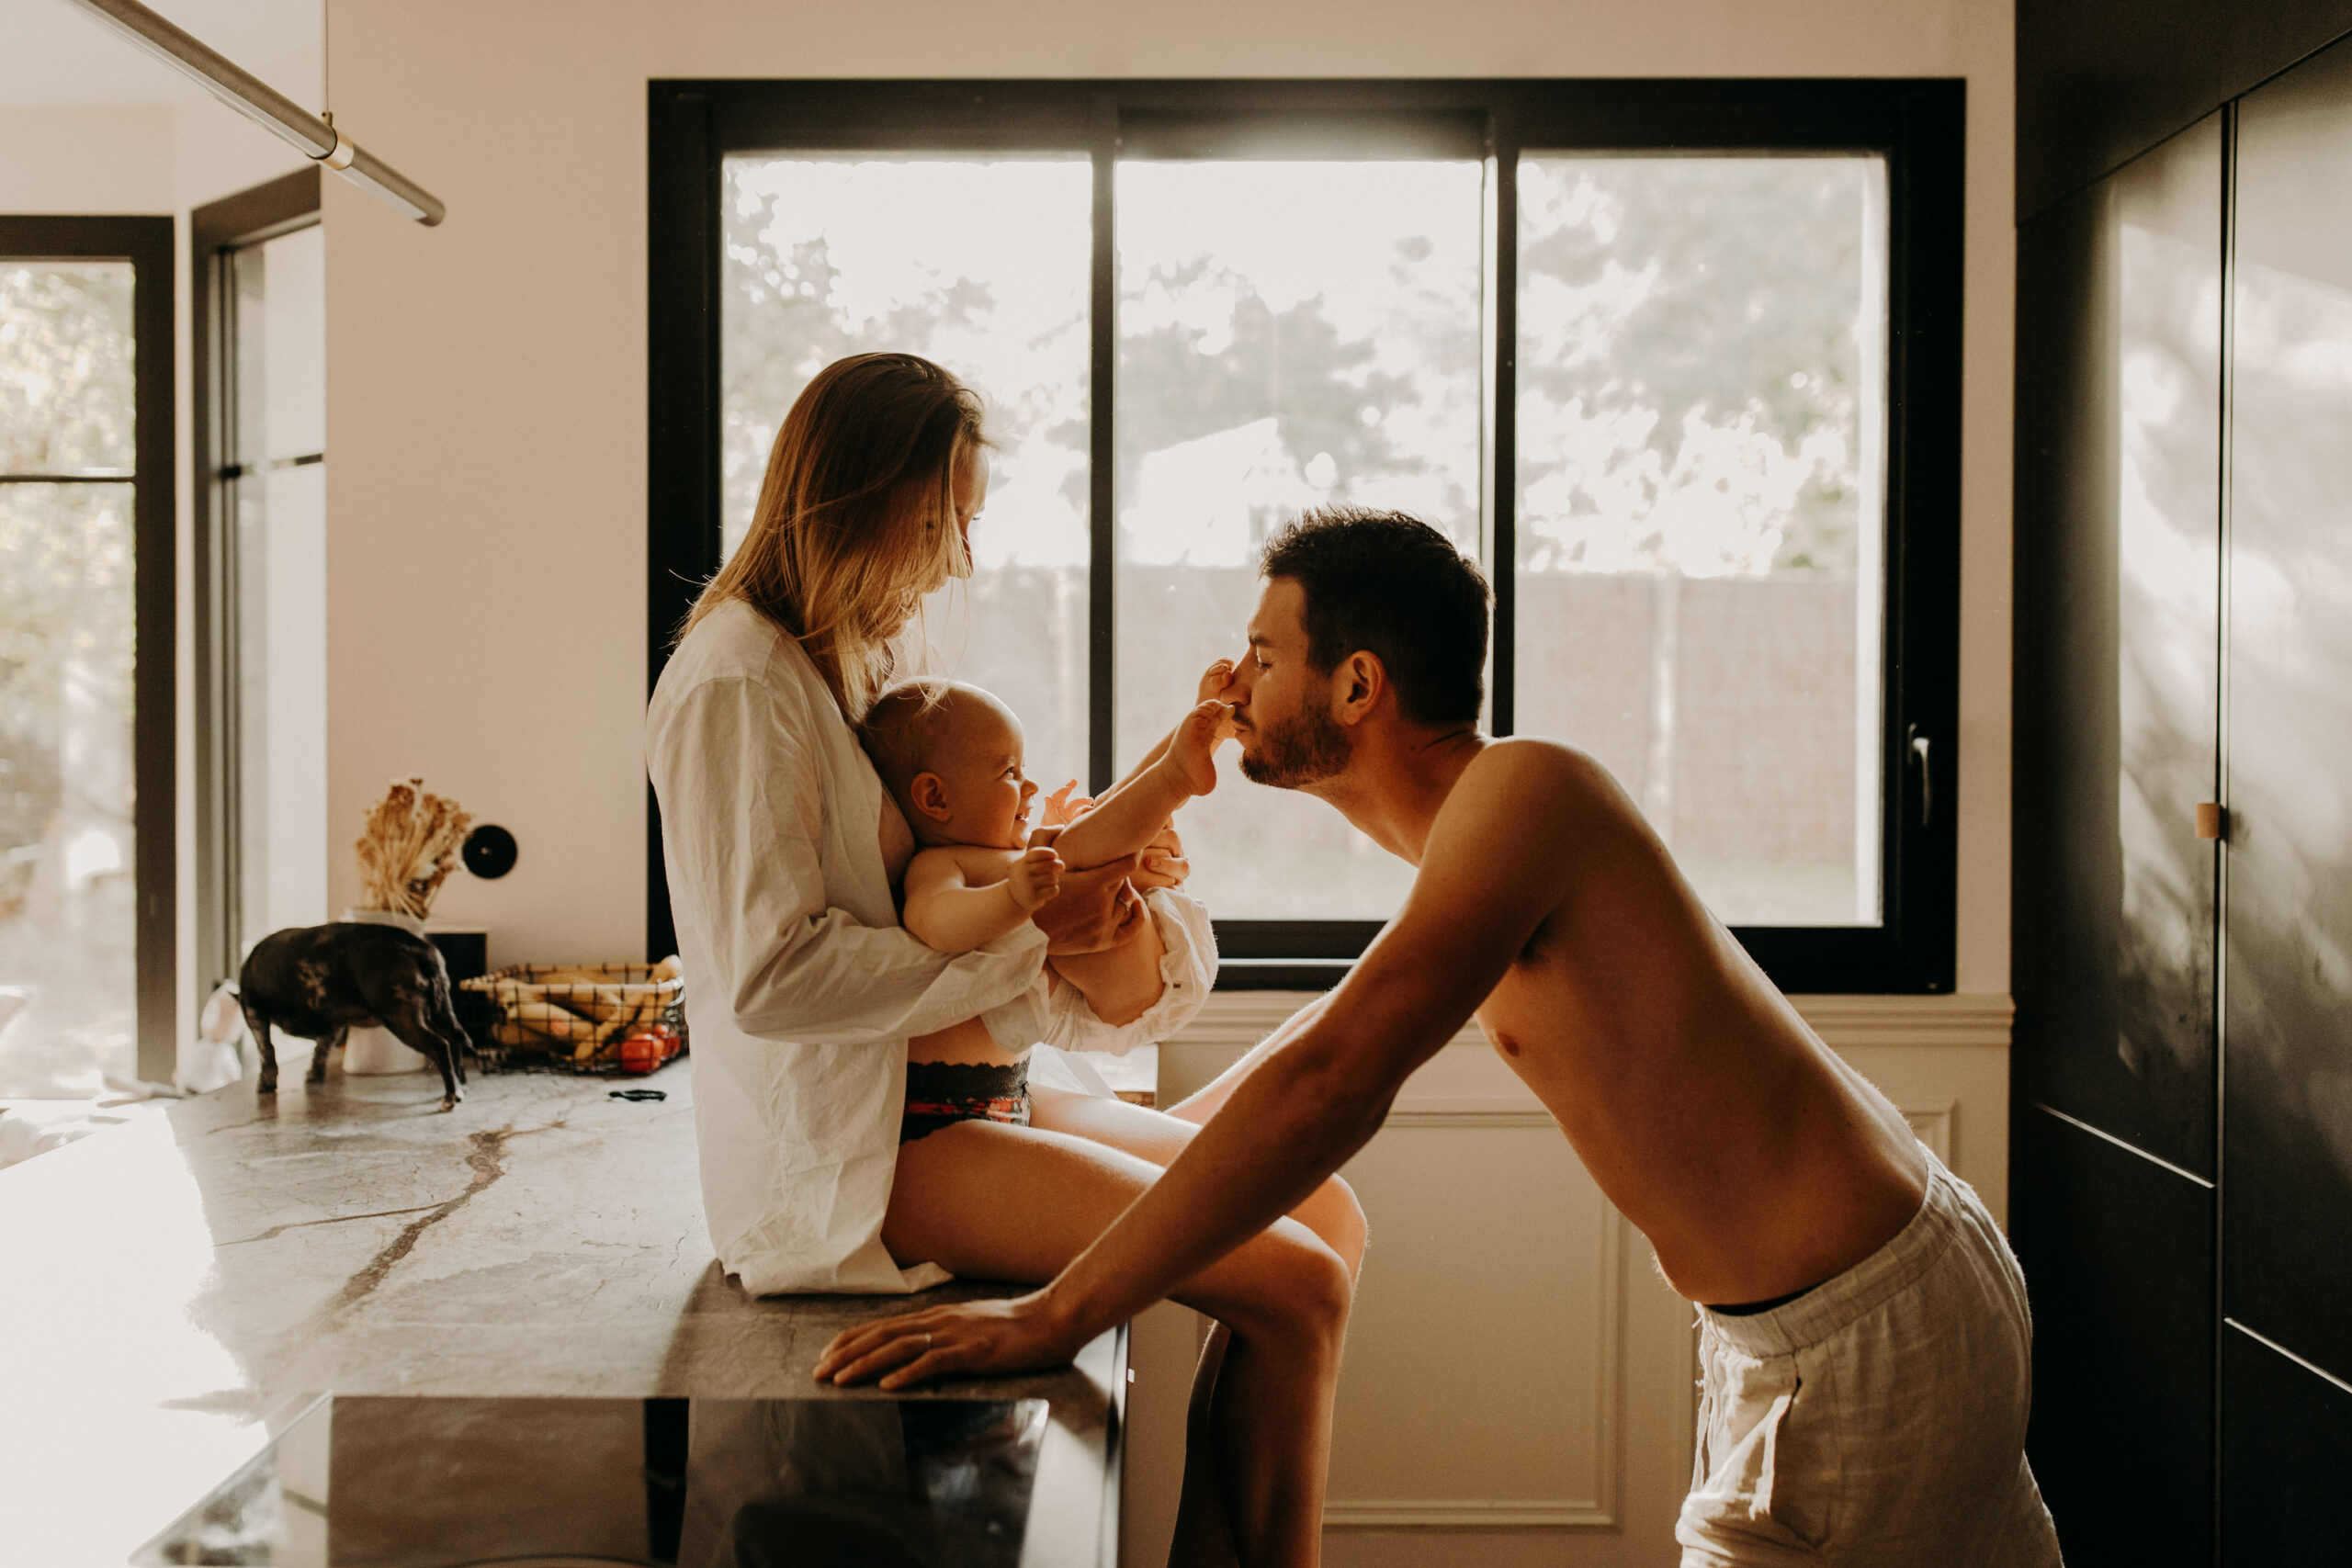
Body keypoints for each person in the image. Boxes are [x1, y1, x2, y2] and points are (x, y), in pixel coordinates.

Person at [817, 508, 2066, 1567]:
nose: (1229, 683)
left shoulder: (1527, 791)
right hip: (1832, 1311)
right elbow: (1319, 1041)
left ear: (1357, 685)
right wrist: (1091, 1177)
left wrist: (1056, 1312)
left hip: (1856, 1327)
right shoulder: (1482, 834)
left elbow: (1333, 1076)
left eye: (1262, 653)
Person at [646, 353, 1366, 1568]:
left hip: (958, 1096)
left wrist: (1077, 886)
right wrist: (1034, 925)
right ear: (860, 500)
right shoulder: (737, 680)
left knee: (1326, 1215)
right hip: (871, 1153)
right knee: (1298, 1286)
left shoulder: (847, 664)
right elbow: (772, 978)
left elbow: (942, 891)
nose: (959, 563)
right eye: (947, 524)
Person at [859, 676, 1228, 1143]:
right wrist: (1015, 897)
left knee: (1084, 828)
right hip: (1116, 1000)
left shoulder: (1005, 856)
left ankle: (1192, 742)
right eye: (1009, 773)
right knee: (1073, 849)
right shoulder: (936, 864)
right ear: (936, 798)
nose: (1030, 785)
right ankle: (1176, 773)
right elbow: (933, 921)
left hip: (1146, 964)